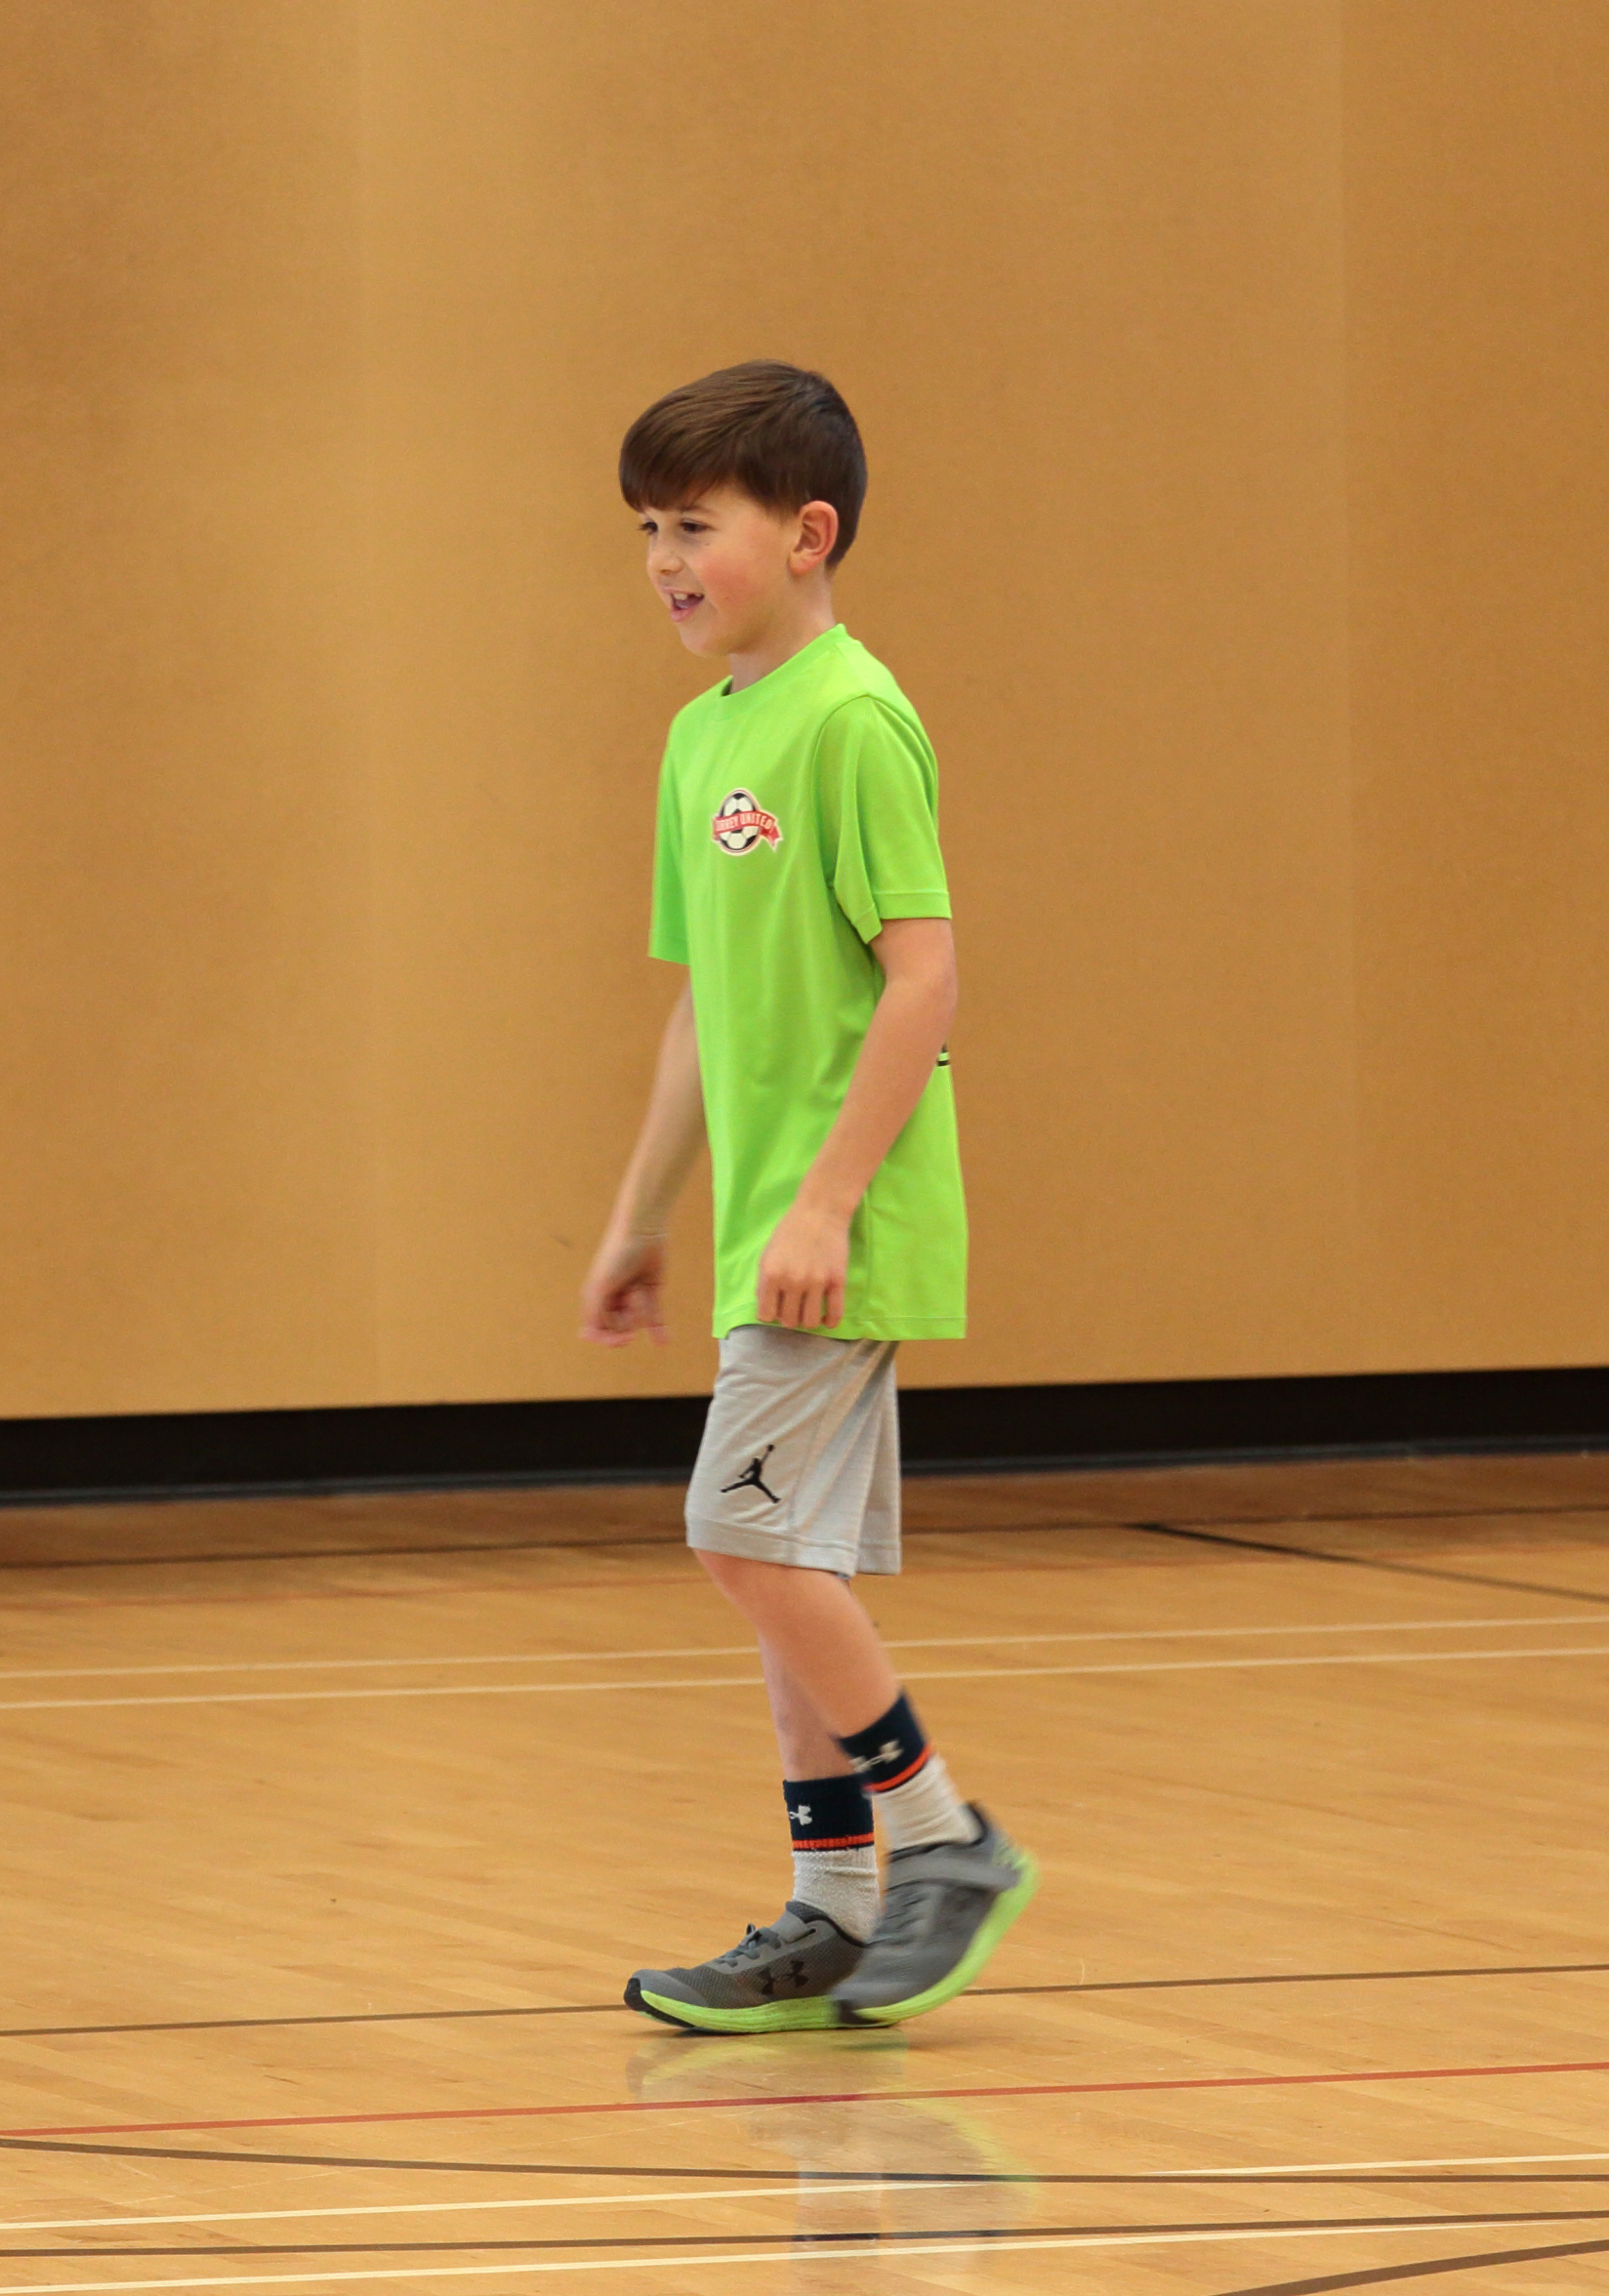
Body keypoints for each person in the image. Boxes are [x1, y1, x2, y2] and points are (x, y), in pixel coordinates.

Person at [578, 360, 1034, 2031]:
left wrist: (831, 1201)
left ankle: (941, 1839)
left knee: (739, 1539)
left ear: (808, 531)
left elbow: (923, 978)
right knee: (787, 1573)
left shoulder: (851, 717)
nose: (663, 558)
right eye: (647, 527)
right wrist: (640, 1213)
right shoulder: (705, 736)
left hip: (839, 1223)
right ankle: (832, 1909)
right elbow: (702, 999)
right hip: (757, 1227)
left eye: (694, 523)